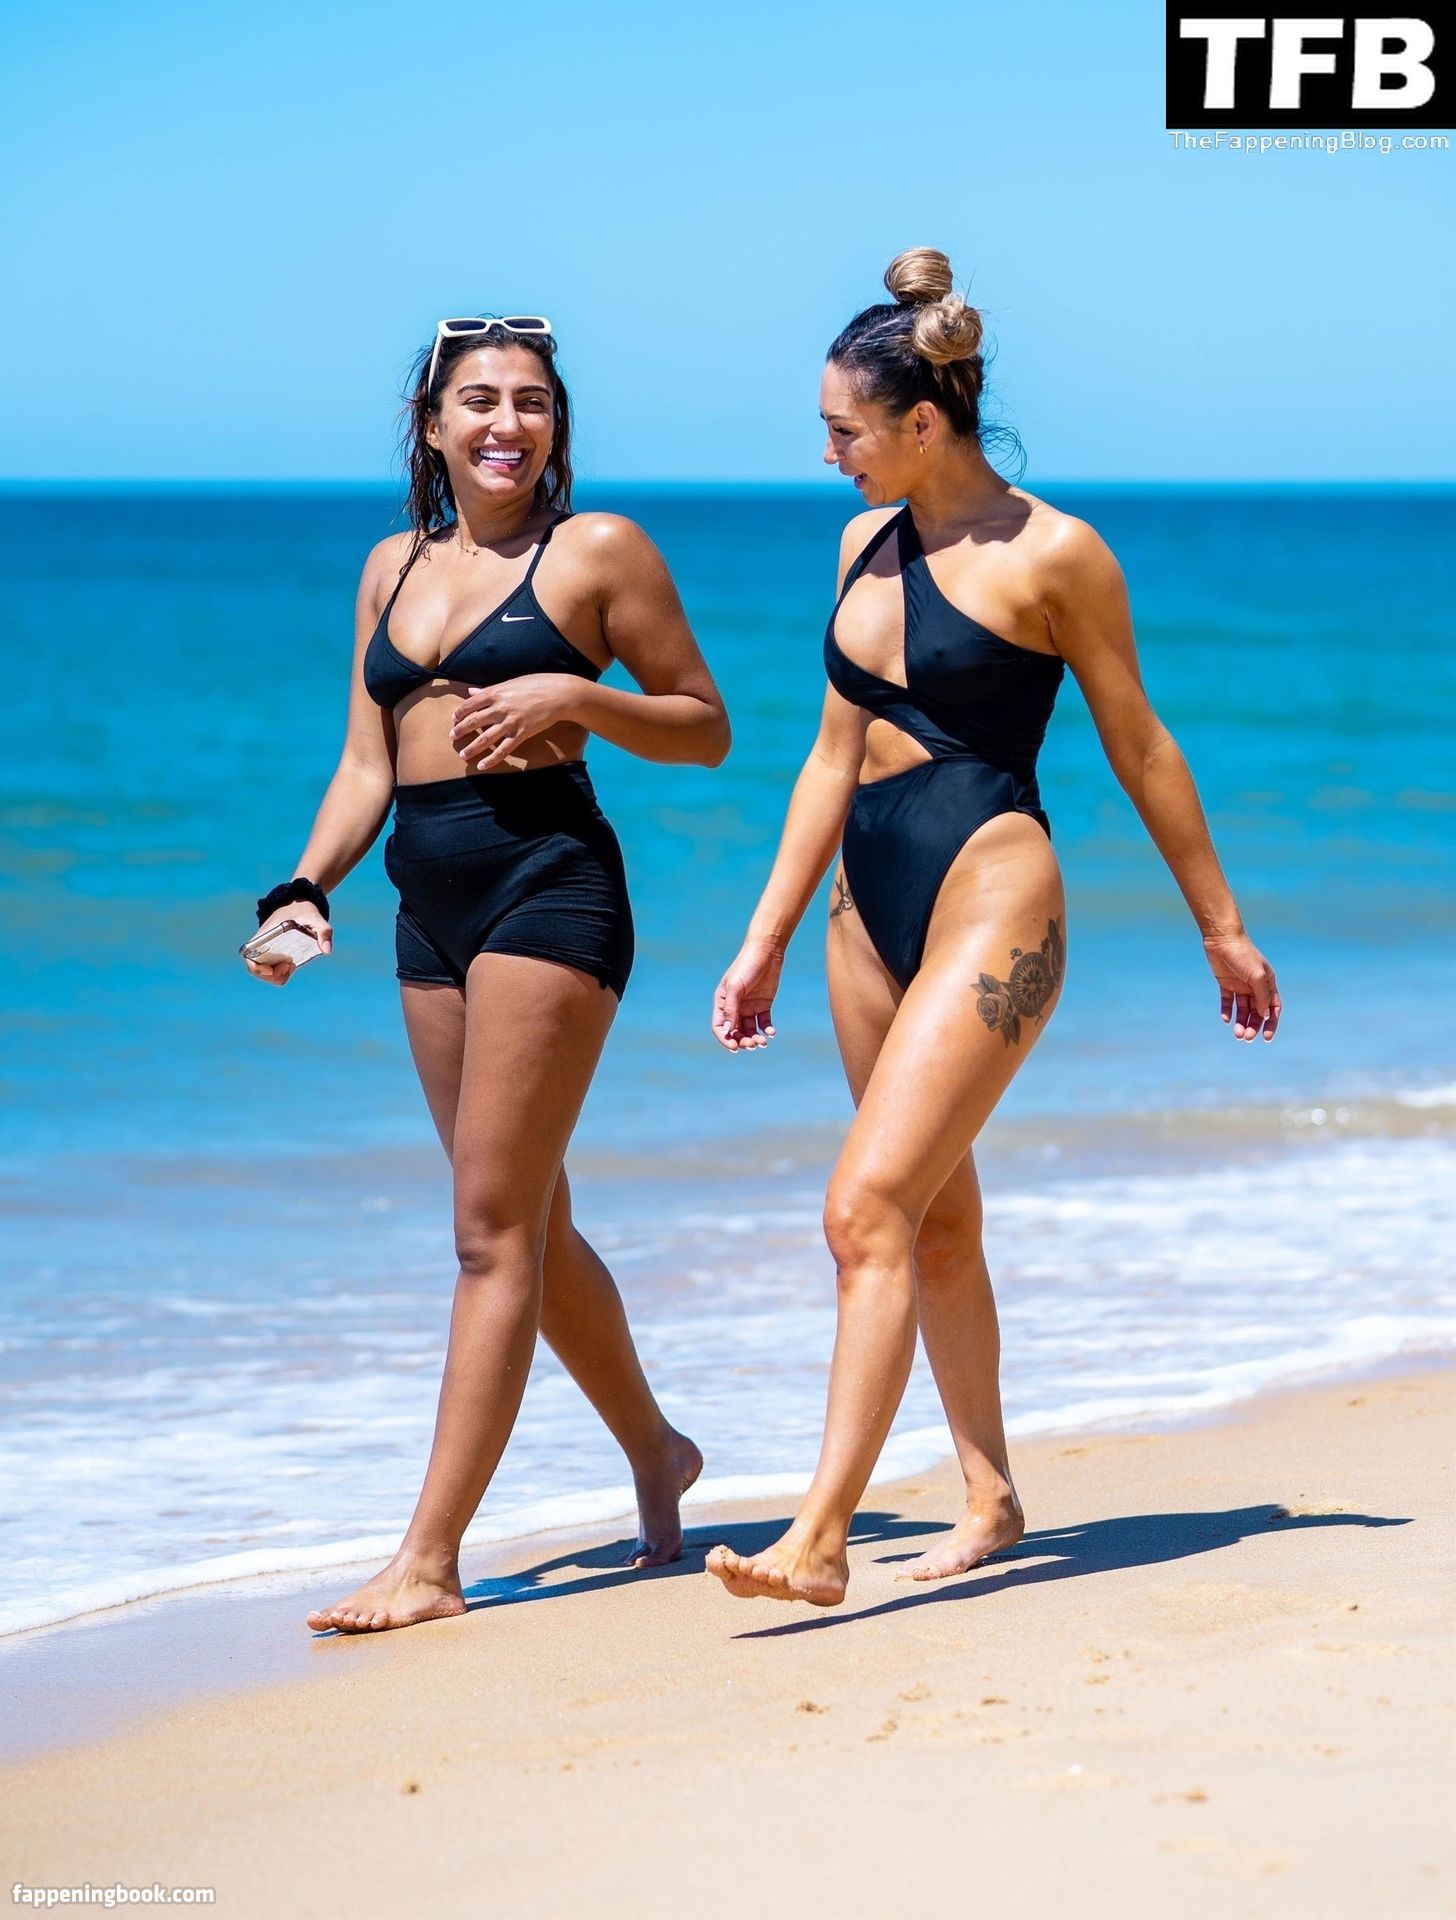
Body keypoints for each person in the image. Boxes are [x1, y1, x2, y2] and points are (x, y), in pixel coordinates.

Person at [705, 251, 1280, 1607]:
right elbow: (830, 756)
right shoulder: (861, 545)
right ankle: (992, 1497)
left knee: (862, 1209)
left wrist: (1222, 926)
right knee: (931, 1218)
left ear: (922, 421)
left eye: (845, 432)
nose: (830, 457)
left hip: (990, 883)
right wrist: (764, 937)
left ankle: (820, 1536)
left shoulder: (1055, 553)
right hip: (864, 907)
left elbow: (1140, 746)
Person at [245, 314, 729, 1633]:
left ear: (555, 425)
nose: (507, 423)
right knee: (531, 1220)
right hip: (426, 902)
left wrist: (578, 701)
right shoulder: (390, 567)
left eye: (531, 402)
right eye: (479, 401)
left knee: (487, 1231)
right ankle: (659, 1450)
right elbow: (367, 761)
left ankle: (429, 1560)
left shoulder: (598, 552)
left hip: (548, 887)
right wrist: (304, 887)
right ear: (433, 424)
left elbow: (705, 727)